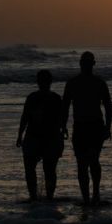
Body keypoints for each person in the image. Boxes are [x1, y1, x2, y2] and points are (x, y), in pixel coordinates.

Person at [63, 52, 112, 206]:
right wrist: (62, 125)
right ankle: (86, 198)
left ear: (93, 64)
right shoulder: (72, 83)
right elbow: (64, 107)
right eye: (84, 62)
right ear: (80, 63)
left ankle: (96, 193)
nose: (86, 65)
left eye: (88, 62)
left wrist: (107, 127)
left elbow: (108, 107)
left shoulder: (99, 83)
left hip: (95, 126)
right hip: (80, 126)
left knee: (93, 160)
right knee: (81, 164)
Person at [17, 70, 66, 201]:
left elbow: (24, 118)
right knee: (49, 170)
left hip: (37, 137)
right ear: (50, 82)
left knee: (31, 169)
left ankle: (34, 197)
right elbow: (62, 120)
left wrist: (19, 135)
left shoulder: (33, 97)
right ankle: (48, 197)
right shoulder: (55, 98)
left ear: (38, 82)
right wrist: (62, 134)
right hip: (48, 137)